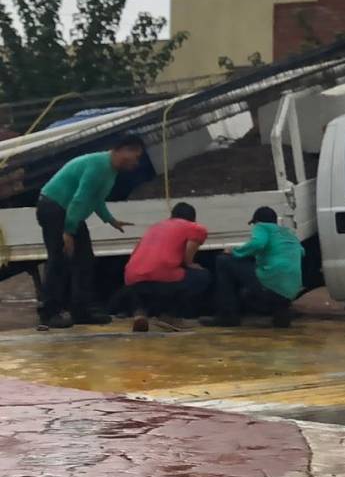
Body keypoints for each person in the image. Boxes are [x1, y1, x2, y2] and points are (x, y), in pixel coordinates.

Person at [36, 134, 144, 328]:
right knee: (59, 258)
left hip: (69, 211)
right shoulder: (98, 165)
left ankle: (81, 310)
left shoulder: (110, 170)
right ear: (123, 150)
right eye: (136, 156)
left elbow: (95, 198)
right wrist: (68, 231)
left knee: (85, 259)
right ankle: (49, 312)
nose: (136, 163)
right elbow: (80, 198)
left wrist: (110, 220)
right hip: (55, 207)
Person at [202, 206, 303, 328]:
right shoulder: (288, 233)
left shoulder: (262, 227)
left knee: (223, 261)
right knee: (270, 273)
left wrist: (235, 252)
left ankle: (227, 316)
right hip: (291, 290)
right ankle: (280, 314)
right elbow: (301, 252)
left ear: (258, 222)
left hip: (271, 286)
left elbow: (258, 243)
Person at [120, 202, 211, 332]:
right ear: (193, 218)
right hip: (162, 277)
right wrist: (192, 264)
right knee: (201, 276)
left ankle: (140, 314)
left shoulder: (155, 227)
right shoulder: (195, 228)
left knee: (145, 281)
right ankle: (170, 316)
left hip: (132, 277)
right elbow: (187, 259)